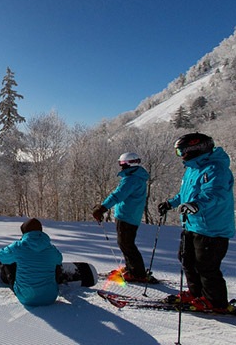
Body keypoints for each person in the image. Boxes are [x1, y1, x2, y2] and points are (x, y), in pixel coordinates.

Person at [158, 132, 235, 313]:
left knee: (206, 266)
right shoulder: (193, 168)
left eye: (181, 152)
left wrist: (196, 205)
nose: (180, 156)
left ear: (194, 149)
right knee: (186, 259)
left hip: (211, 228)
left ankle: (216, 302)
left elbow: (216, 194)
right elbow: (186, 194)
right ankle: (196, 293)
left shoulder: (216, 169)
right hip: (192, 224)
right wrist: (171, 203)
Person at [92, 152, 153, 282]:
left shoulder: (131, 179)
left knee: (126, 244)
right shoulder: (136, 177)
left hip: (127, 216)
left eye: (122, 164)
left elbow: (118, 195)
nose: (121, 167)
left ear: (128, 164)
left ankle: (137, 272)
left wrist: (103, 208)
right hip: (131, 215)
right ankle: (131, 268)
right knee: (125, 243)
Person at [0, 218, 63, 306]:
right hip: (50, 297)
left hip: (26, 298)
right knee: (55, 263)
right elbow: (59, 260)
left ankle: (6, 278)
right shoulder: (50, 248)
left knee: (9, 262)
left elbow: (1, 257)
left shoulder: (18, 247)